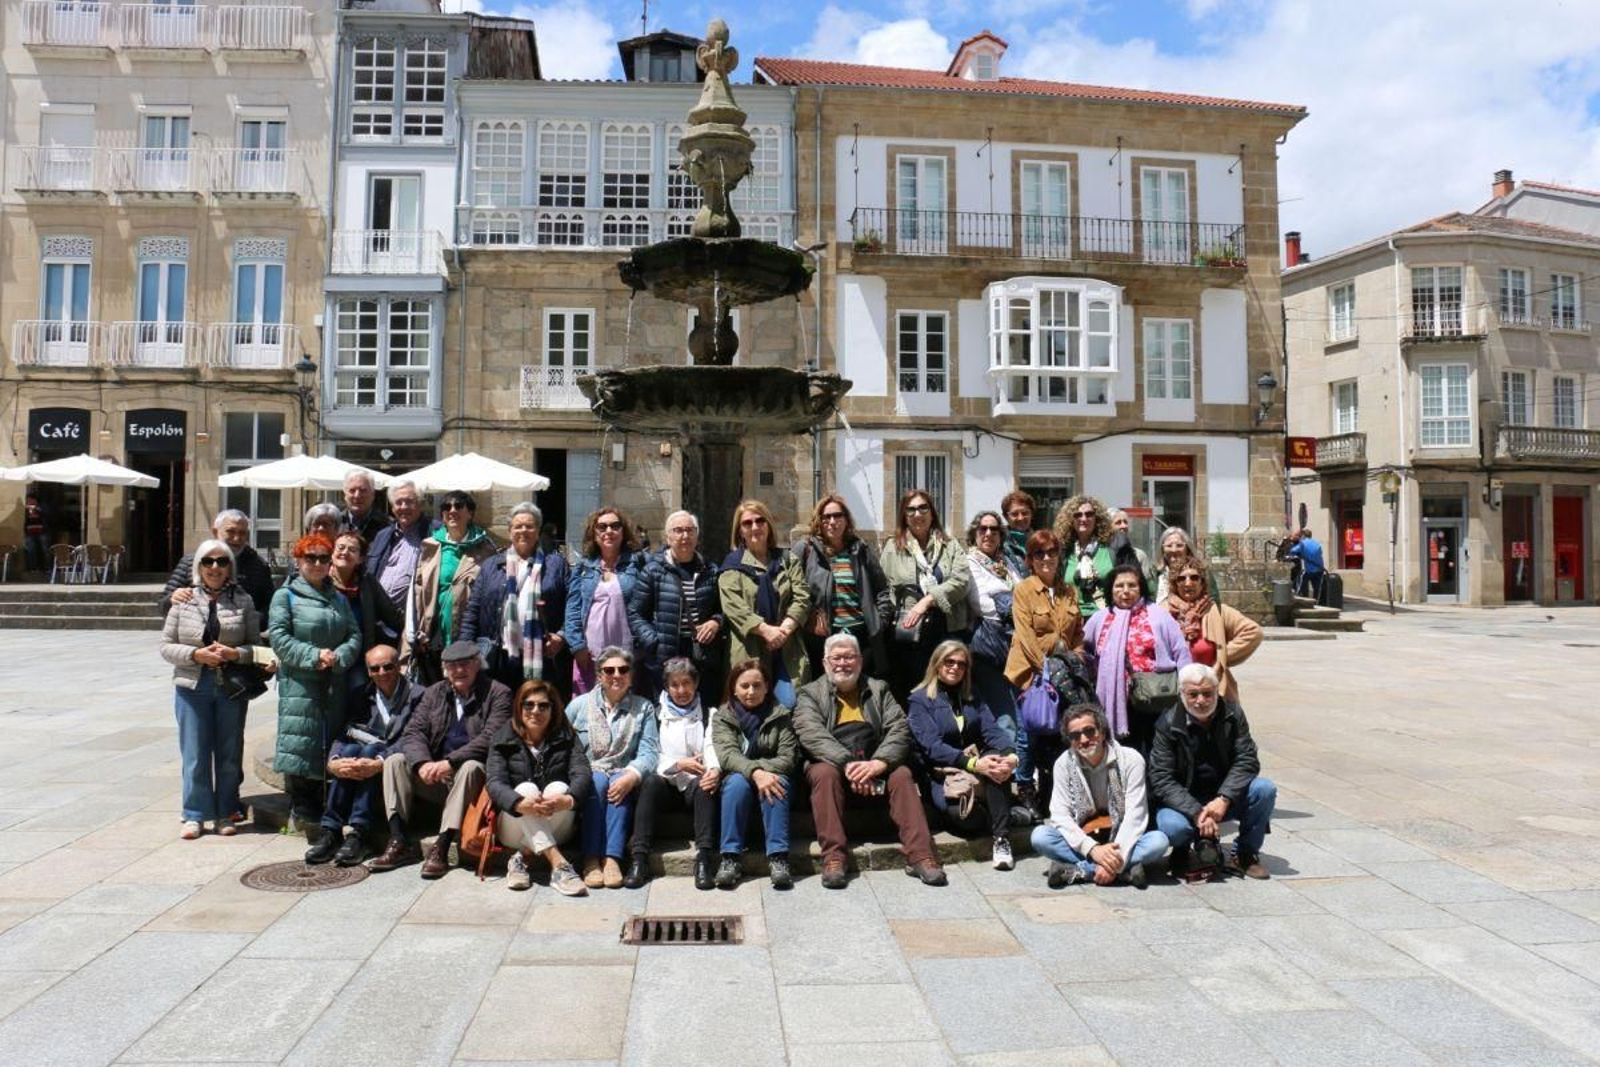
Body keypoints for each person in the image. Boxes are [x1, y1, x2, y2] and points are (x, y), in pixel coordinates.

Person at [793, 633, 945, 889]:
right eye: (837, 658)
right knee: (822, 773)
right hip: (835, 767)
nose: (843, 663)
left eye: (849, 657)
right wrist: (849, 765)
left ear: (860, 661)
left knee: (902, 775)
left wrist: (879, 763)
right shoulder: (809, 693)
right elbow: (811, 734)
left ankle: (921, 856)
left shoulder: (879, 689)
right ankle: (833, 858)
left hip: (875, 764)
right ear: (825, 662)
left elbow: (899, 728)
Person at [367, 640, 513, 877]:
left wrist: (450, 762)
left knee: (471, 766)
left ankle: (442, 846)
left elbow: (491, 738)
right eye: (452, 665)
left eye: (465, 664)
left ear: (478, 664)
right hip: (437, 777)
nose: (458, 670)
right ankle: (398, 840)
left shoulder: (498, 693)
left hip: (475, 784)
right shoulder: (435, 692)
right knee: (395, 760)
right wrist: (423, 763)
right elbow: (413, 732)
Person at [159, 538, 266, 839]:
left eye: (221, 561)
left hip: (230, 686)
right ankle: (194, 814)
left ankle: (226, 811)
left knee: (229, 753)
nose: (215, 567)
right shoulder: (183, 600)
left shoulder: (242, 600)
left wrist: (236, 654)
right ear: (199, 567)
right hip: (193, 685)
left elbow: (255, 647)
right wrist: (195, 655)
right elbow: (165, 647)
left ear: (230, 566)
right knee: (195, 752)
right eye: (208, 562)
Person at [268, 534, 362, 829]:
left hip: (333, 681)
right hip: (302, 683)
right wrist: (314, 655)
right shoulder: (286, 596)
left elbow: (354, 634)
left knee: (327, 738)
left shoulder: (338, 597)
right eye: (311, 557)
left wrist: (339, 657)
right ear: (298, 561)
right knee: (301, 740)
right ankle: (302, 805)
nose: (319, 563)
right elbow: (279, 638)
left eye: (324, 557)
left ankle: (327, 802)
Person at [1149, 663, 1276, 879]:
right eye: (1193, 694)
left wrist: (1224, 798)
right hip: (1185, 799)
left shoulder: (1232, 714)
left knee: (1264, 789)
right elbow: (1161, 778)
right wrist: (1198, 812)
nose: (1201, 700)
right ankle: (1182, 851)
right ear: (1182, 694)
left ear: (1216, 691)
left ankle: (1245, 853)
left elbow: (1247, 760)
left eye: (1207, 693)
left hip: (1225, 795)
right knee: (1172, 826)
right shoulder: (1167, 723)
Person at [305, 643, 422, 867]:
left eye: (388, 667)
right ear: (368, 671)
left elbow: (415, 740)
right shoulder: (361, 694)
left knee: (368, 750)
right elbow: (344, 733)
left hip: (396, 761)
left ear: (399, 666)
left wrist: (379, 761)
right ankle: (331, 831)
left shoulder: (418, 696)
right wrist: (334, 761)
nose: (382, 673)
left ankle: (360, 832)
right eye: (375, 669)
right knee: (349, 751)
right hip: (363, 757)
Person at [906, 640, 1017, 869]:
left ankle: (1001, 838)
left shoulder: (972, 695)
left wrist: (1011, 756)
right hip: (942, 774)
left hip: (976, 767)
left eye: (961, 664)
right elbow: (932, 747)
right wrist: (974, 764)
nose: (955, 668)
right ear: (937, 664)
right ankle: (1007, 815)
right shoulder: (919, 700)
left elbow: (992, 731)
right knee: (962, 817)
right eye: (949, 662)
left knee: (997, 763)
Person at [1032, 704, 1169, 888]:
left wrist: (1113, 857)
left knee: (1158, 842)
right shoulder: (1063, 764)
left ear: (1103, 732)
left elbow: (1136, 815)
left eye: (1090, 731)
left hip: (1121, 838)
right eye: (1075, 735)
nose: (1084, 739)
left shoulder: (1131, 759)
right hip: (1085, 836)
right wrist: (1093, 850)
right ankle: (1124, 871)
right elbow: (1059, 815)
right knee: (1040, 836)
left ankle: (1083, 871)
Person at [564, 646, 659, 890]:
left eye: (623, 670)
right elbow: (562, 745)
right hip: (588, 772)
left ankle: (612, 859)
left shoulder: (644, 708)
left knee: (619, 780)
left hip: (624, 769)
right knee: (597, 781)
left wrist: (633, 774)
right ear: (599, 676)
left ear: (631, 675)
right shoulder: (578, 706)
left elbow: (650, 751)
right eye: (609, 670)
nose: (616, 675)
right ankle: (591, 859)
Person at [1004, 528, 1084, 814]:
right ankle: (1025, 787)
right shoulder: (1024, 589)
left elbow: (1077, 633)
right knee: (1029, 732)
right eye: (1039, 553)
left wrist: (1075, 658)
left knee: (1057, 733)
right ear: (1030, 559)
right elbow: (1025, 637)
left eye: (1051, 552)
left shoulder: (1068, 590)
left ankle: (1053, 790)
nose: (1046, 558)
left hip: (1062, 674)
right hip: (1030, 674)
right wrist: (1044, 672)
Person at [486, 679, 590, 895]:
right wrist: (519, 803)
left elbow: (582, 774)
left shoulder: (567, 736)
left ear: (553, 709)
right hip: (513, 826)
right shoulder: (502, 737)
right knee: (525, 790)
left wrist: (568, 800)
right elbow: (494, 782)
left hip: (558, 824)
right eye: (529, 705)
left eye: (543, 705)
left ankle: (520, 858)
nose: (536, 711)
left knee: (560, 787)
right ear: (519, 707)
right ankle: (559, 864)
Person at [462, 502, 572, 695]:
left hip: (542, 657)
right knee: (500, 710)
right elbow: (473, 610)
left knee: (537, 710)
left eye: (529, 526)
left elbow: (573, 606)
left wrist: (561, 635)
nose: (523, 530)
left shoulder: (556, 565)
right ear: (509, 531)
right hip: (499, 657)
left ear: (538, 530)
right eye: (518, 526)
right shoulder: (491, 565)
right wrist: (464, 649)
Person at [1082, 565, 1192, 755]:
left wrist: (1189, 687)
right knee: (1122, 752)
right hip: (1114, 697)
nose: (1125, 591)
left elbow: (1181, 652)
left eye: (1132, 585)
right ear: (1111, 589)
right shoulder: (1099, 619)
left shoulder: (1158, 616)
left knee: (1154, 750)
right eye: (1119, 586)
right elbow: (1085, 651)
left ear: (1141, 588)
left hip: (1154, 697)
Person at [710, 657, 798, 890]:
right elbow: (727, 755)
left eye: (757, 685)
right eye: (744, 686)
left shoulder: (781, 714)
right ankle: (730, 857)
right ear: (734, 689)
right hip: (739, 777)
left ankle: (778, 858)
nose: (751, 691)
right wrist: (755, 772)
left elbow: (787, 759)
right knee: (737, 784)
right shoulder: (723, 716)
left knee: (776, 783)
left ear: (767, 687)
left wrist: (760, 773)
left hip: (773, 776)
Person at [634, 657, 720, 890]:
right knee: (650, 782)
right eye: (674, 684)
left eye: (686, 683)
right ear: (666, 687)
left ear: (696, 683)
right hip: (667, 783)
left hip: (694, 785)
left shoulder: (709, 713)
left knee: (706, 785)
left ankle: (703, 859)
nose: (681, 690)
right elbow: (651, 752)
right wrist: (678, 764)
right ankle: (639, 858)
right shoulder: (655, 713)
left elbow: (712, 746)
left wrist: (713, 770)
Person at [878, 490, 971, 703]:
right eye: (910, 509)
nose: (917, 514)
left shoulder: (950, 545)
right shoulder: (893, 547)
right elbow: (884, 589)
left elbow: (961, 581)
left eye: (923, 508)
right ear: (904, 515)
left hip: (946, 627)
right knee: (913, 691)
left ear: (932, 513)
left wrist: (928, 600)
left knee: (946, 690)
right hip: (910, 633)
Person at [719, 499, 810, 707]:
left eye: (760, 521)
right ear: (739, 531)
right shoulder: (732, 566)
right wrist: (766, 631)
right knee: (750, 705)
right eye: (747, 523)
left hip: (787, 650)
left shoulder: (787, 560)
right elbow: (734, 607)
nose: (754, 527)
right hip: (749, 649)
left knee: (790, 704)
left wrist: (783, 631)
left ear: (768, 525)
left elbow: (802, 596)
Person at [793, 494, 893, 681]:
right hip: (822, 637)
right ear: (819, 521)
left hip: (862, 636)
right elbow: (792, 590)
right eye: (826, 517)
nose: (832, 522)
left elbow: (882, 590)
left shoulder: (860, 550)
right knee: (826, 692)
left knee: (862, 691)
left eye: (838, 516)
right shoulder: (805, 550)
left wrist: (880, 622)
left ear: (846, 520)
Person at [403, 490, 496, 685]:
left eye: (458, 506)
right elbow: (417, 589)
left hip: (469, 633)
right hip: (433, 633)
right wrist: (417, 631)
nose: (452, 511)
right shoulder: (430, 546)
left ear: (470, 513)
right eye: (446, 507)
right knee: (436, 689)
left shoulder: (486, 549)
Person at [629, 509, 723, 700]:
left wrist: (716, 622)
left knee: (702, 705)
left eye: (690, 530)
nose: (685, 536)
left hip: (701, 654)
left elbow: (722, 609)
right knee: (666, 708)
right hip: (666, 653)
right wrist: (654, 641)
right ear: (667, 537)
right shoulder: (653, 571)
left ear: (697, 535)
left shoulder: (710, 570)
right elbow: (634, 613)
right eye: (678, 530)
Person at [563, 506, 644, 697]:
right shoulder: (583, 567)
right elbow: (572, 610)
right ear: (594, 533)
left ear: (624, 531)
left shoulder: (638, 564)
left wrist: (643, 646)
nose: (609, 531)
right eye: (602, 527)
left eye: (615, 526)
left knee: (624, 707)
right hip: (590, 655)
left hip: (626, 654)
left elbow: (648, 606)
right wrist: (577, 647)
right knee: (588, 709)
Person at [1164, 555, 1262, 705]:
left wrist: (1220, 658)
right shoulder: (1163, 612)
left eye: (1194, 577)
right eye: (1181, 578)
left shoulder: (1216, 610)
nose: (1187, 582)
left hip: (1211, 690)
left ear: (1202, 583)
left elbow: (1253, 632)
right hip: (1173, 691)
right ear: (1174, 584)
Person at [160, 509, 275, 617]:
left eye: (242, 533)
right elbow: (163, 606)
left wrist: (250, 623)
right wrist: (172, 598)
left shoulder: (258, 565)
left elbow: (270, 606)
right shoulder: (191, 561)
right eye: (231, 532)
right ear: (215, 532)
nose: (237, 538)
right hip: (196, 634)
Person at [328, 531, 403, 695]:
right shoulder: (320, 580)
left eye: (352, 550)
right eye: (340, 547)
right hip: (327, 658)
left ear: (360, 558)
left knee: (358, 702)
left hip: (359, 659)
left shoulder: (367, 582)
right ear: (332, 552)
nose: (345, 552)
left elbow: (392, 616)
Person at [366, 479, 433, 623]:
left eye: (409, 501)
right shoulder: (382, 535)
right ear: (392, 507)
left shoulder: (434, 533)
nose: (404, 507)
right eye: (398, 502)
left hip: (414, 621)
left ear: (420, 504)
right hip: (379, 619)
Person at [1054, 495, 1114, 616]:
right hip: (1071, 620)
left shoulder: (1112, 546)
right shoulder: (1063, 550)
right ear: (1070, 520)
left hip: (1105, 617)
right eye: (1077, 515)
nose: (1083, 518)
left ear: (1097, 518)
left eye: (1089, 514)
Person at [1153, 527, 1220, 604]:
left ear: (1187, 548)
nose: (1174, 550)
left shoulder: (1201, 571)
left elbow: (1214, 599)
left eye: (1179, 545)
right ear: (1162, 549)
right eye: (1169, 546)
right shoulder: (1155, 573)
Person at [1109, 508, 1158, 591]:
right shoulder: (1103, 554)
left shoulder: (1139, 555)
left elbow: (1149, 588)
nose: (1124, 526)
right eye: (1118, 523)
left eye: (1125, 522)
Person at [339, 469, 387, 545]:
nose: (357, 496)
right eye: (352, 490)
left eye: (363, 490)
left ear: (373, 494)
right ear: (344, 495)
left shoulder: (387, 526)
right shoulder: (335, 522)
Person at [1000, 489, 1036, 576]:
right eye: (1015, 514)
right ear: (1006, 517)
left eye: (1025, 513)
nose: (1020, 518)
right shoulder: (999, 544)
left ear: (1032, 514)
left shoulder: (1041, 542)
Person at [1289, 527, 1326, 600]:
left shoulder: (1302, 543)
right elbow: (1319, 553)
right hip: (1319, 569)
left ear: (1303, 536)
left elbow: (1292, 551)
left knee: (1300, 583)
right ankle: (1316, 602)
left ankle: (1297, 598)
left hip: (1308, 570)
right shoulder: (1317, 543)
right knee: (1317, 588)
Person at [22, 492, 50, 575]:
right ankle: (33, 568)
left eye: (30, 500)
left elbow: (48, 515)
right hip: (30, 532)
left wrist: (37, 509)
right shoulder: (26, 509)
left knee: (44, 550)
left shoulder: (42, 507)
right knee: (31, 550)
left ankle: (46, 568)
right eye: (27, 500)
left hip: (42, 531)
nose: (29, 502)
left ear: (35, 500)